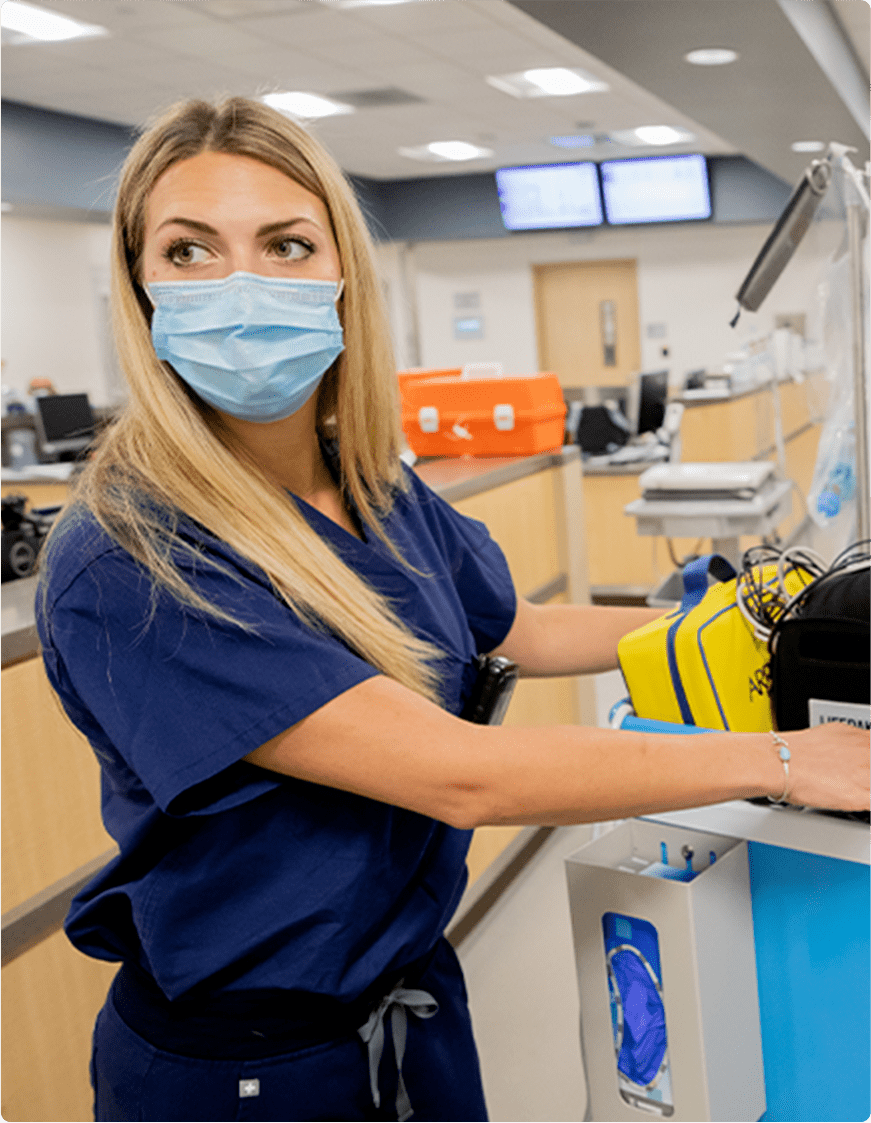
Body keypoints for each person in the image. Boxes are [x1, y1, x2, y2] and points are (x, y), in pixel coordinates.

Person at [36, 96, 868, 1123]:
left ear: (342, 276)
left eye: (287, 244)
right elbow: (459, 773)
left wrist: (755, 623)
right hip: (246, 1066)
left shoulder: (371, 483)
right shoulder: (131, 556)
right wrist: (790, 760)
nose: (243, 282)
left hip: (408, 995)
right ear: (139, 283)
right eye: (192, 250)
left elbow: (515, 629)